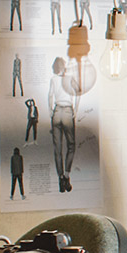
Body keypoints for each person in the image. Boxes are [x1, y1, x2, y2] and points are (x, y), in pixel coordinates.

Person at [49, 58, 77, 192]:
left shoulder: (53, 79)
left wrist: (50, 111)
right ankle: (66, 175)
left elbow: (50, 96)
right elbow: (78, 92)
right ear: (64, 66)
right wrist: (75, 110)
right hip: (66, 111)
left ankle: (60, 178)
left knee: (57, 149)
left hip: (56, 112)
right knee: (71, 145)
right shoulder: (70, 78)